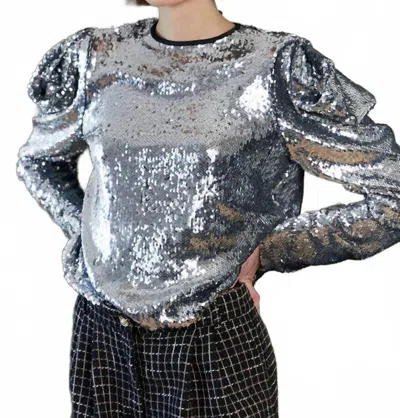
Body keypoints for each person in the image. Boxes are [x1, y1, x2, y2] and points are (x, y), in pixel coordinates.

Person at [15, 0, 400, 417]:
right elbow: (39, 162)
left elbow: (393, 194)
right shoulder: (95, 58)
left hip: (213, 339)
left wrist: (271, 248)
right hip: (103, 336)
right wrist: (93, 238)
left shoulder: (273, 68)